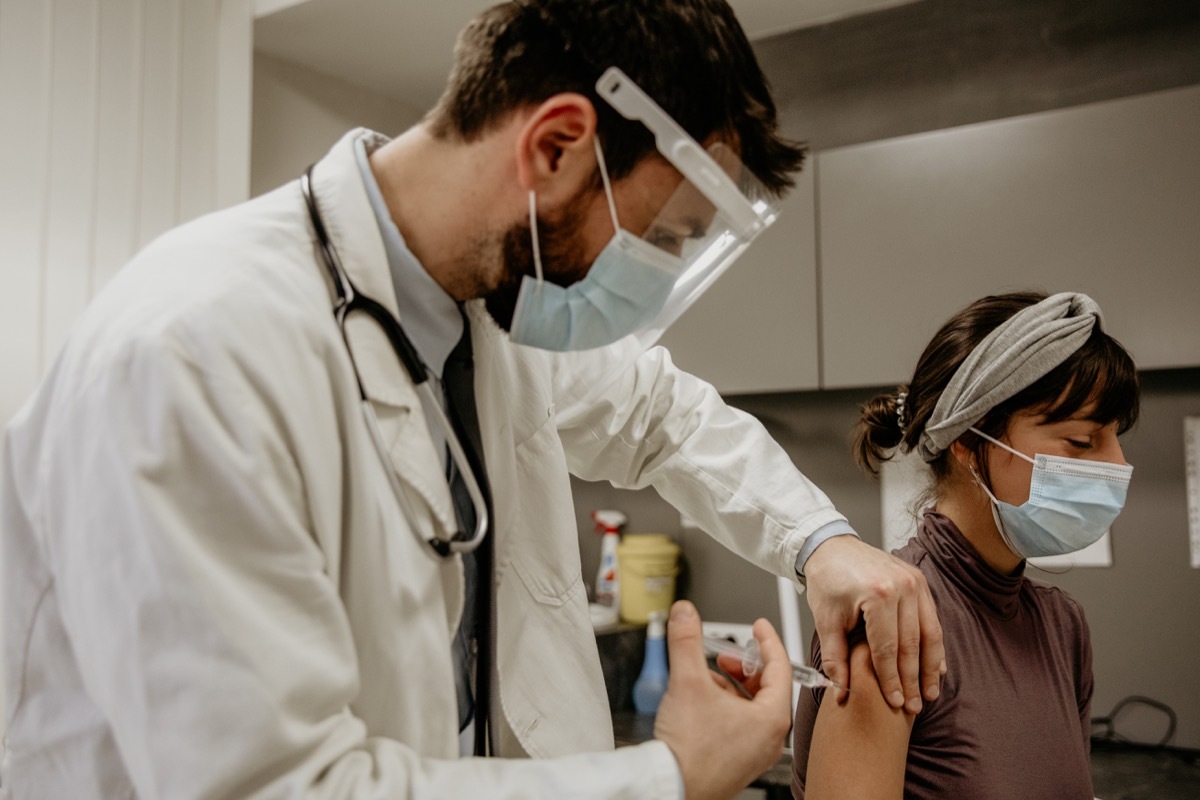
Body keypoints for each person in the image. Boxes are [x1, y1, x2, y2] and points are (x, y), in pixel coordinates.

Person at [1, 2, 943, 798]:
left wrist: (822, 542)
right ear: (557, 145)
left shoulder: (494, 315)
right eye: (664, 235)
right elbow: (283, 785)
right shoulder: (197, 352)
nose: (655, 279)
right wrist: (666, 774)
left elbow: (661, 418)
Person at [791, 291, 1140, 800]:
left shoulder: (1063, 627)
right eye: (1082, 442)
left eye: (1116, 436)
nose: (1117, 464)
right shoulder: (892, 622)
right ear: (970, 444)